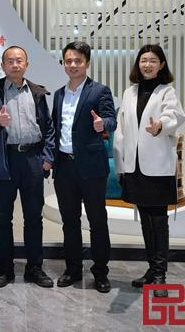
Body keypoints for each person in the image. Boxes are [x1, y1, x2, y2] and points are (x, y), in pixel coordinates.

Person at [113, 43, 185, 298]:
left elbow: (175, 115)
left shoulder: (167, 91)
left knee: (158, 221)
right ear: (138, 64)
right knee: (145, 220)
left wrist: (160, 126)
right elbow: (121, 128)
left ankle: (160, 275)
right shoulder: (129, 92)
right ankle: (151, 270)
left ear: (161, 65)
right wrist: (121, 165)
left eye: (153, 60)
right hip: (134, 167)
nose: (148, 64)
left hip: (157, 166)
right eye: (144, 60)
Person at [0, 46, 55, 288]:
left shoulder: (37, 92)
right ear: (3, 66)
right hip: (6, 159)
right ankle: (5, 270)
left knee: (34, 217)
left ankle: (35, 268)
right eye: (10, 61)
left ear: (26, 64)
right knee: (3, 217)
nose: (15, 64)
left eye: (19, 60)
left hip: (33, 159)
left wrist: (48, 156)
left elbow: (48, 127)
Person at [51, 41, 117, 293]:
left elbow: (111, 119)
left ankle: (100, 272)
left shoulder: (99, 91)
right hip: (64, 167)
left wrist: (103, 124)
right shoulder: (59, 94)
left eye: (78, 61)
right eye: (68, 61)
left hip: (91, 168)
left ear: (87, 63)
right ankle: (73, 269)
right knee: (69, 222)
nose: (73, 65)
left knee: (97, 221)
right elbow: (55, 129)